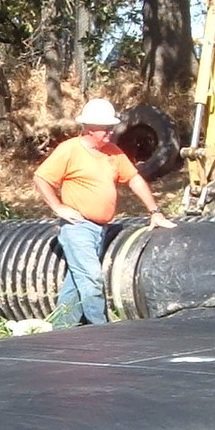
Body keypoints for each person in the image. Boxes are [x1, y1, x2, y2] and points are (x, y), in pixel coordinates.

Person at [32, 97, 176, 327]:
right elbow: (41, 178)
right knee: (92, 279)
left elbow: (135, 179)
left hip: (100, 230)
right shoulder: (69, 150)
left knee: (77, 284)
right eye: (105, 130)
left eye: (111, 128)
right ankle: (102, 330)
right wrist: (58, 207)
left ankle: (60, 330)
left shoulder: (113, 152)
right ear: (89, 129)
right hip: (78, 228)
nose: (110, 133)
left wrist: (155, 211)